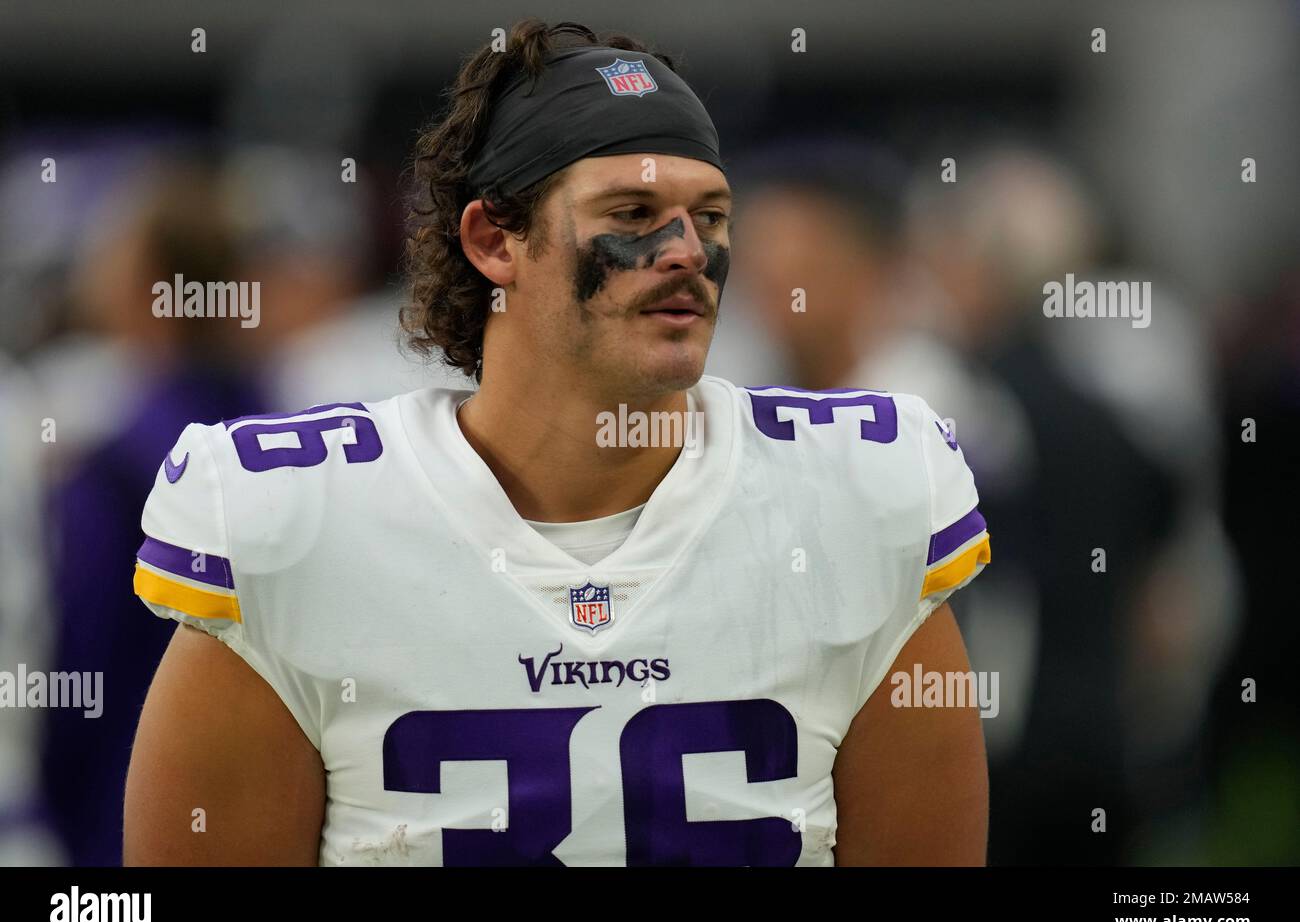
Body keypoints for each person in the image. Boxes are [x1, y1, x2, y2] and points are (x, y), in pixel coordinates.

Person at [123, 19, 991, 866]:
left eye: (713, 217)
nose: (688, 250)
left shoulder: (856, 497)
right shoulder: (294, 521)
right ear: (494, 240)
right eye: (635, 211)